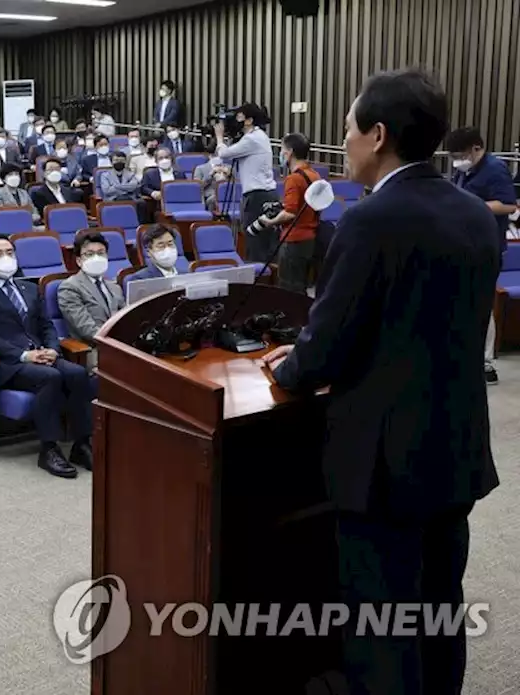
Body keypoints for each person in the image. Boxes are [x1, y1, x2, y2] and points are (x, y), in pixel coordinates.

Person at [260, 68, 499, 695]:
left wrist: (284, 365)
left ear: (379, 134)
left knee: (382, 621)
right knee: (439, 607)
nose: (344, 143)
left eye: (348, 129)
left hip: (384, 464)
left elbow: (326, 346)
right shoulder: (476, 213)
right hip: (455, 448)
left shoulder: (371, 220)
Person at [0, 236, 94, 478]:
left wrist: (53, 349)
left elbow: (46, 325)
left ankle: (82, 443)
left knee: (77, 373)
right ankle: (49, 449)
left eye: (9, 252)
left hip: (42, 354)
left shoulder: (30, 288)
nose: (6, 258)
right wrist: (25, 355)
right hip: (9, 364)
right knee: (50, 377)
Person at [445, 126, 518, 385]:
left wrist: (471, 206)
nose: (457, 160)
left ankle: (485, 363)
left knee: (481, 304)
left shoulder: (494, 168)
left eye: (460, 154)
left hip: (485, 248)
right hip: (462, 245)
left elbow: (509, 204)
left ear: (477, 148)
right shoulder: (465, 169)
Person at [256, 133, 321, 294]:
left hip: (294, 239)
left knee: (288, 290)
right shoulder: (315, 175)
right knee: (301, 287)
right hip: (311, 238)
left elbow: (291, 213)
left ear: (290, 152)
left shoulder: (293, 179)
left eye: (282, 150)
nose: (281, 154)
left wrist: (270, 222)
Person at [214, 103, 277, 263]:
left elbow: (224, 153)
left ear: (248, 120)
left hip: (257, 196)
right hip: (265, 194)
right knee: (262, 239)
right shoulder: (259, 136)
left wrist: (219, 136)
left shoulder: (252, 139)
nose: (236, 120)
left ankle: (257, 277)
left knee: (254, 240)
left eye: (239, 116)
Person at [57, 230, 125, 368]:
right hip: (93, 350)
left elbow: (126, 318)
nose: (96, 258)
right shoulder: (69, 287)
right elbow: (87, 329)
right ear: (79, 261)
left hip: (121, 346)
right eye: (89, 254)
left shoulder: (114, 286)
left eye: (101, 253)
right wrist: (117, 343)